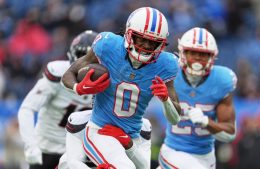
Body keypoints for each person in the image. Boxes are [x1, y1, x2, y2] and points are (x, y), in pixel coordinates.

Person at [61, 7, 181, 169]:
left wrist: (166, 100)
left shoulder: (167, 65)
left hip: (133, 136)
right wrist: (78, 87)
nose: (146, 46)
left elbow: (175, 119)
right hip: (100, 130)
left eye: (152, 42)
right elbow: (69, 74)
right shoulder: (108, 45)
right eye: (141, 39)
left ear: (160, 45)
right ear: (129, 34)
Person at [158, 27, 237, 169]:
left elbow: (230, 132)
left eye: (203, 54)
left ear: (212, 57)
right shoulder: (171, 71)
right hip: (173, 151)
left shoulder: (222, 80)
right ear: (182, 52)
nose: (197, 58)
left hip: (206, 157)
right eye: (192, 53)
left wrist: (206, 122)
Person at [17, 30, 97, 169]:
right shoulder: (58, 74)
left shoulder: (108, 80)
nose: (85, 64)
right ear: (71, 56)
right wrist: (31, 145)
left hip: (80, 152)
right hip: (47, 149)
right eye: (81, 56)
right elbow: (27, 108)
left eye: (92, 58)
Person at [57, 110, 152, 169]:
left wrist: (129, 145)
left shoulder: (144, 127)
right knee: (64, 162)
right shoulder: (79, 121)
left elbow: (144, 167)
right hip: (87, 165)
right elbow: (72, 161)